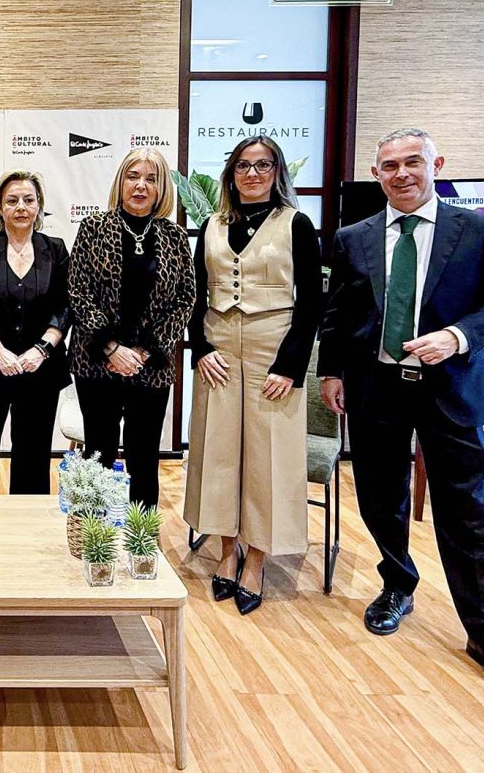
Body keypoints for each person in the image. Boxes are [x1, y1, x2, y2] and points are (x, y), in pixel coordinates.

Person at [318, 128, 484, 714]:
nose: (401, 174)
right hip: (376, 390)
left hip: (450, 390)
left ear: (435, 164)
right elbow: (340, 312)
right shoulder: (354, 237)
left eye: (412, 162)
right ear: (377, 174)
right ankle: (397, 583)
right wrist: (332, 371)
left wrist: (457, 335)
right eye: (389, 166)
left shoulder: (479, 230)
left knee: (466, 513)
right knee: (378, 497)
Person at [183, 136, 322, 615]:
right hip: (218, 347)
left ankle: (257, 558)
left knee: (268, 456)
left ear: (276, 171)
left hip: (273, 348)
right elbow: (196, 296)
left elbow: (312, 305)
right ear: (231, 173)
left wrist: (290, 366)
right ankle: (226, 550)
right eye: (243, 165)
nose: (252, 173)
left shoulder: (295, 224)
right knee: (217, 450)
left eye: (263, 165)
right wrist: (199, 348)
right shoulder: (212, 224)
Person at [68, 147, 195, 508]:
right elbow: (78, 291)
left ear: (161, 189)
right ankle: (93, 538)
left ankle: (142, 546)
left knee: (143, 457)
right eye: (133, 176)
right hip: (96, 362)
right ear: (120, 181)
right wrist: (111, 347)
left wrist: (142, 351)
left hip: (150, 366)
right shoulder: (93, 228)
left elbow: (185, 298)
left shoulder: (174, 237)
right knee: (99, 453)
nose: (141, 186)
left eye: (151, 179)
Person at [0, 170, 71, 494]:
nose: (21, 206)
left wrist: (41, 350)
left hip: (40, 371)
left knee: (34, 455)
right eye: (12, 200)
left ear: (39, 206)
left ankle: (28, 531)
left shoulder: (56, 249)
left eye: (28, 199)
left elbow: (66, 306)